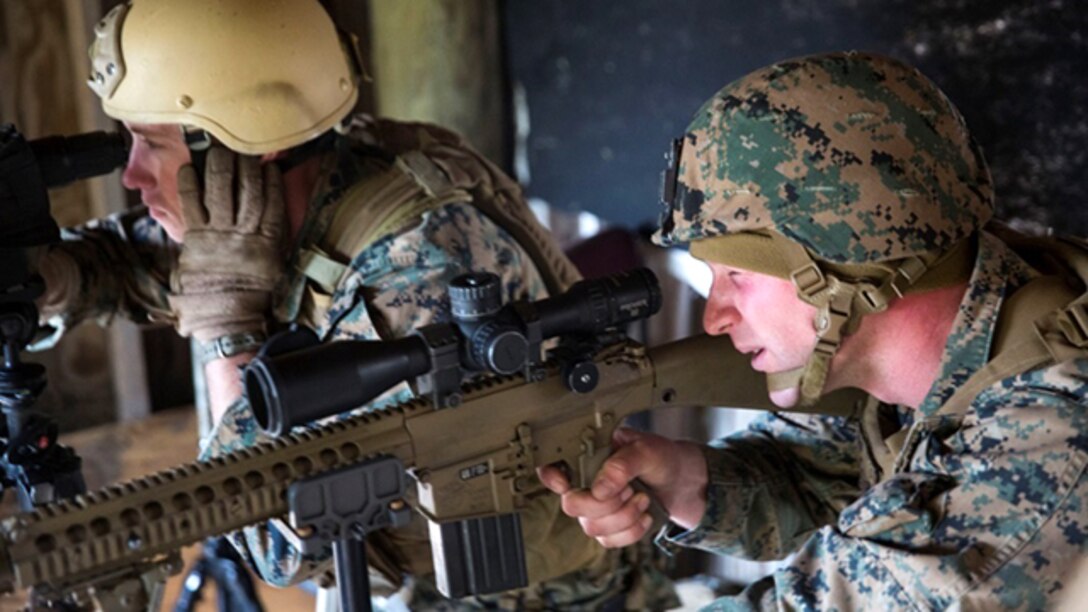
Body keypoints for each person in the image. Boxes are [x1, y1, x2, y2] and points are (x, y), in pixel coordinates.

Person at [29, 0, 679, 609]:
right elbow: (140, 262)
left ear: (242, 153)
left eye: (153, 144)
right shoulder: (329, 176)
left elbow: (273, 539)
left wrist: (224, 329)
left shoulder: (412, 273)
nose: (132, 176)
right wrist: (43, 277)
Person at [540, 50, 1088, 609]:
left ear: (849, 266)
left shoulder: (1051, 426)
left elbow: (845, 597)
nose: (716, 316)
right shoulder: (955, 357)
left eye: (736, 274)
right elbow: (838, 470)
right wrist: (683, 479)